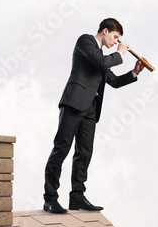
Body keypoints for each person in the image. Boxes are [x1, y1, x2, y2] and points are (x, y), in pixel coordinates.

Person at [42, 18, 145, 213]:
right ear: (105, 31)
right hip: (73, 103)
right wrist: (120, 53)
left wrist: (134, 72)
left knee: (84, 153)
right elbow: (101, 61)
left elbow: (113, 81)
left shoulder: (102, 57)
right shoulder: (86, 42)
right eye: (115, 37)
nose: (116, 42)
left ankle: (77, 197)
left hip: (91, 109)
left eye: (118, 40)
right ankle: (50, 198)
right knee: (61, 149)